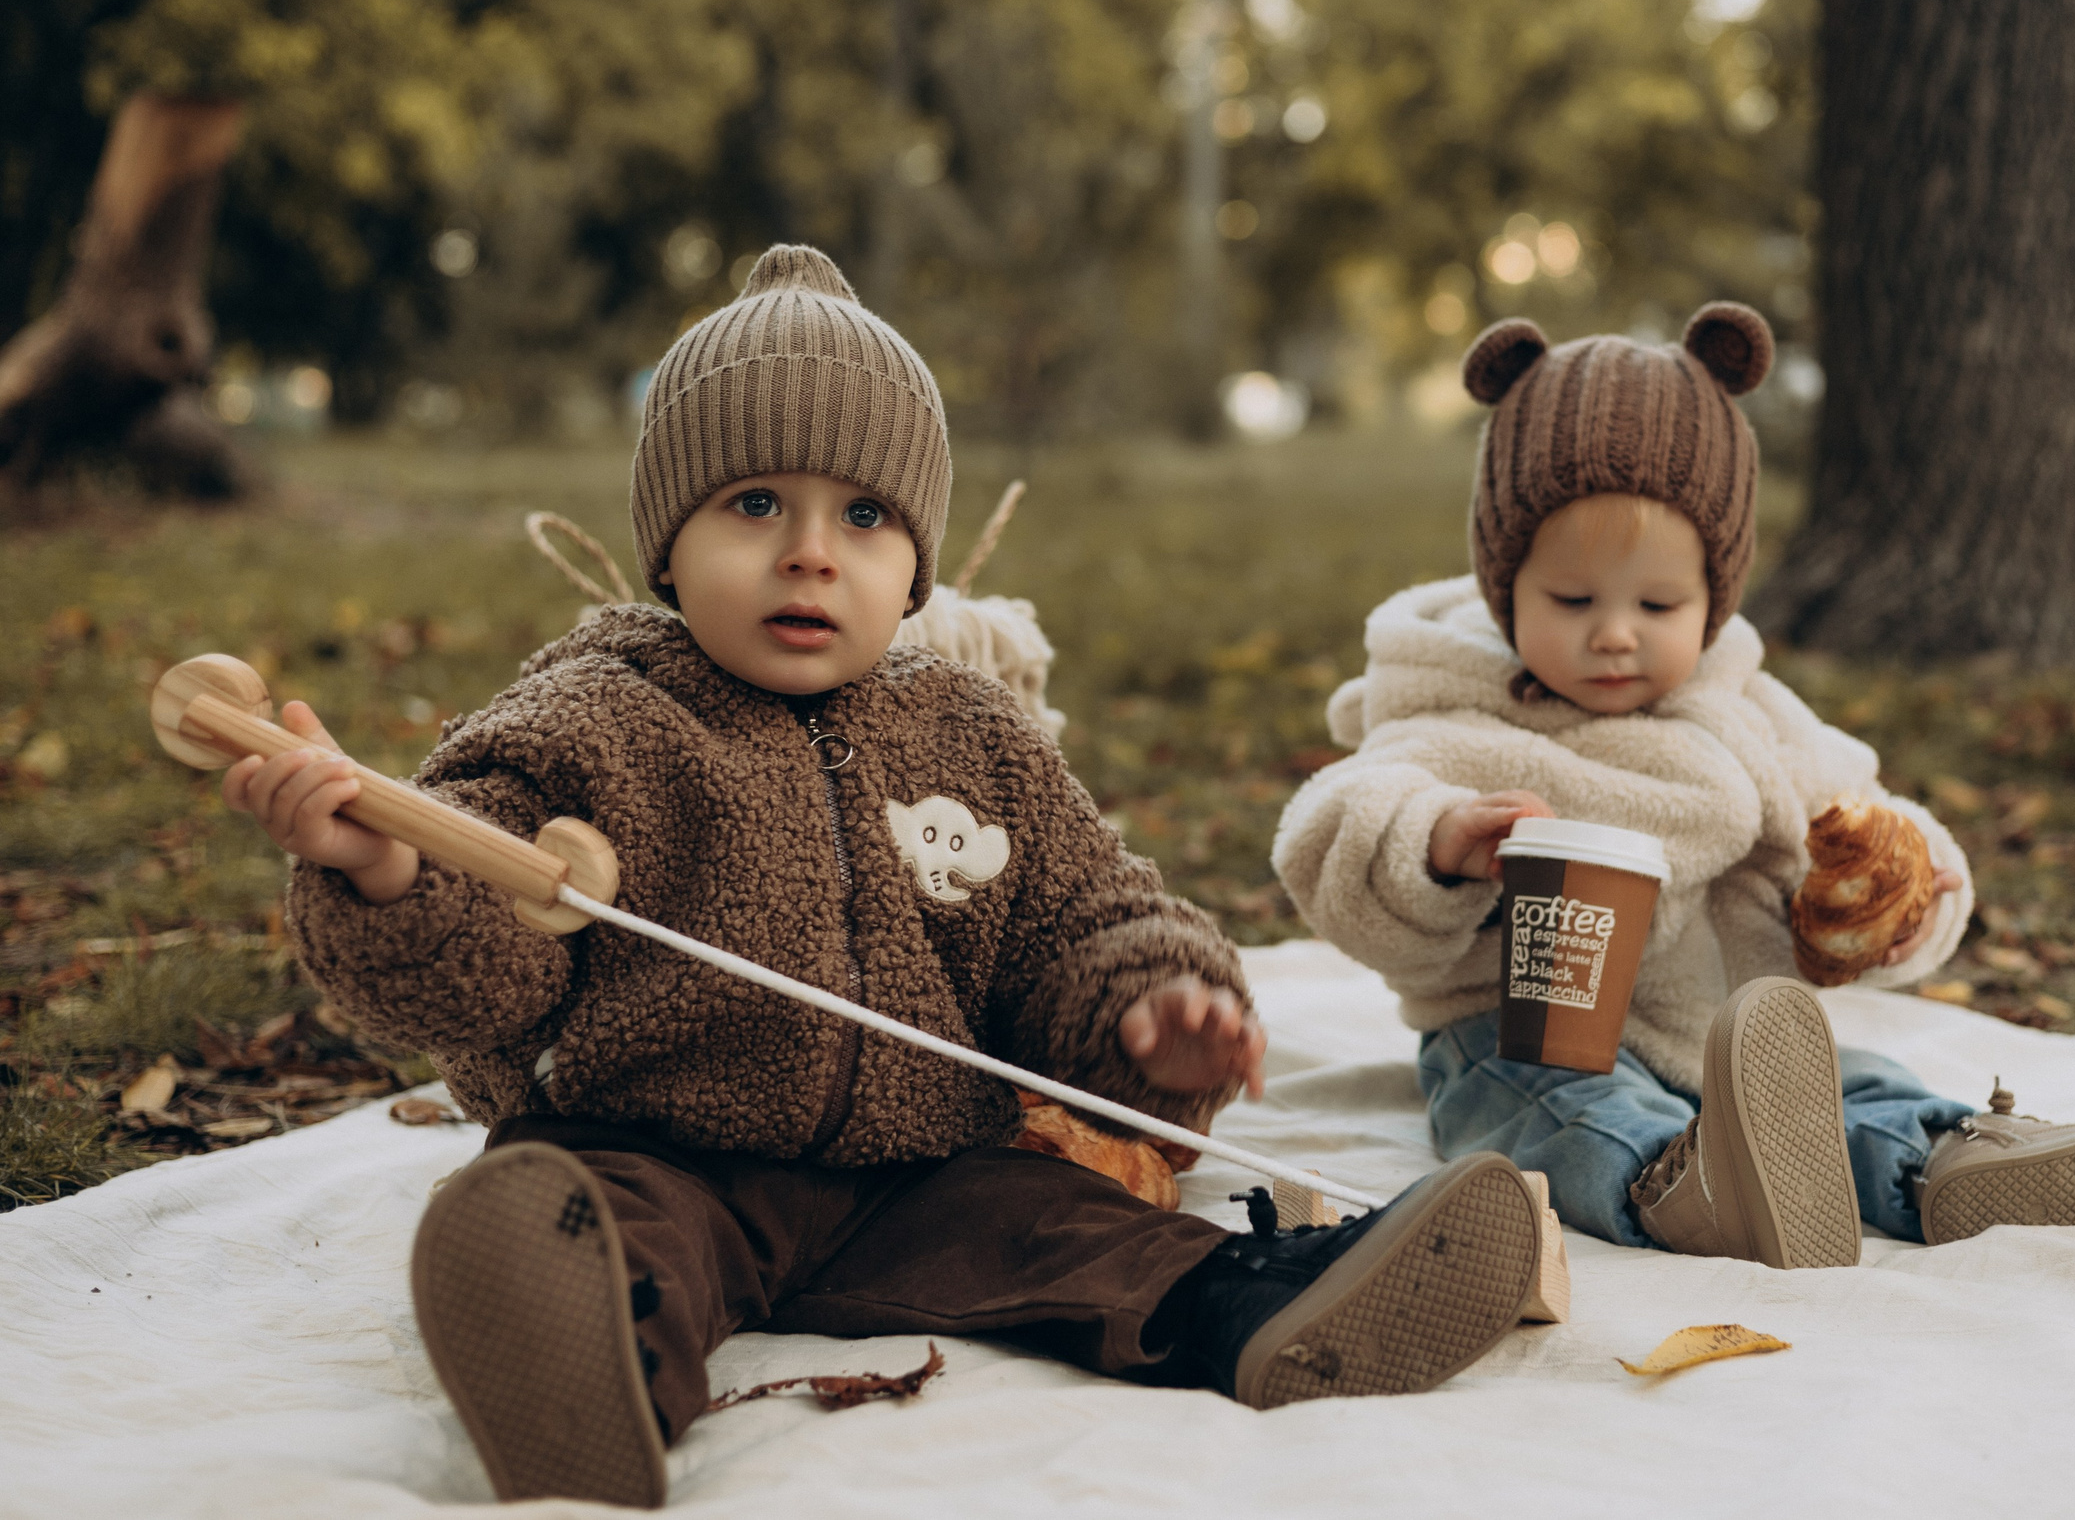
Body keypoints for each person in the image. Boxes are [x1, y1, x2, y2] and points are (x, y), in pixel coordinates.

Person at [222, 246, 1542, 1509]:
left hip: (918, 1174)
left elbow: (1090, 911)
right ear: (666, 546)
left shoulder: (971, 731)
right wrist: (387, 865)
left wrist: (1154, 1008)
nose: (811, 552)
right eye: (756, 505)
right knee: (606, 1231)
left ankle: (1256, 1305)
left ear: (916, 568)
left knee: (1074, 1226)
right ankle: (580, 1362)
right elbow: (487, 942)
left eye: (862, 515)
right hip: (663, 1151)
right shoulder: (591, 718)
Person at [1275, 303, 2075, 1267]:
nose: (1615, 632)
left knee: (1850, 1084)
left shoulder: (1745, 710)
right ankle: (1684, 1184)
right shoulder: (1456, 709)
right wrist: (1439, 839)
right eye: (1571, 601)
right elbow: (1333, 826)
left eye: (1659, 603)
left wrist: (1903, 892)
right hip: (1521, 1034)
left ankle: (1954, 1165)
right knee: (1556, 1111)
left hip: (1725, 1041)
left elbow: (1859, 813)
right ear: (1503, 584)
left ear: (1717, 594)